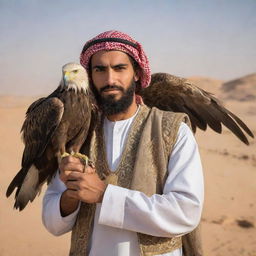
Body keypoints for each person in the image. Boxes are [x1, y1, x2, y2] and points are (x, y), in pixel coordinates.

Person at [42, 30, 204, 256]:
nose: (110, 80)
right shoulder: (80, 131)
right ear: (90, 76)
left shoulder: (173, 131)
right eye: (100, 70)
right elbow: (52, 222)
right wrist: (69, 197)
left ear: (137, 73)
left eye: (120, 68)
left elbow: (186, 212)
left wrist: (103, 195)